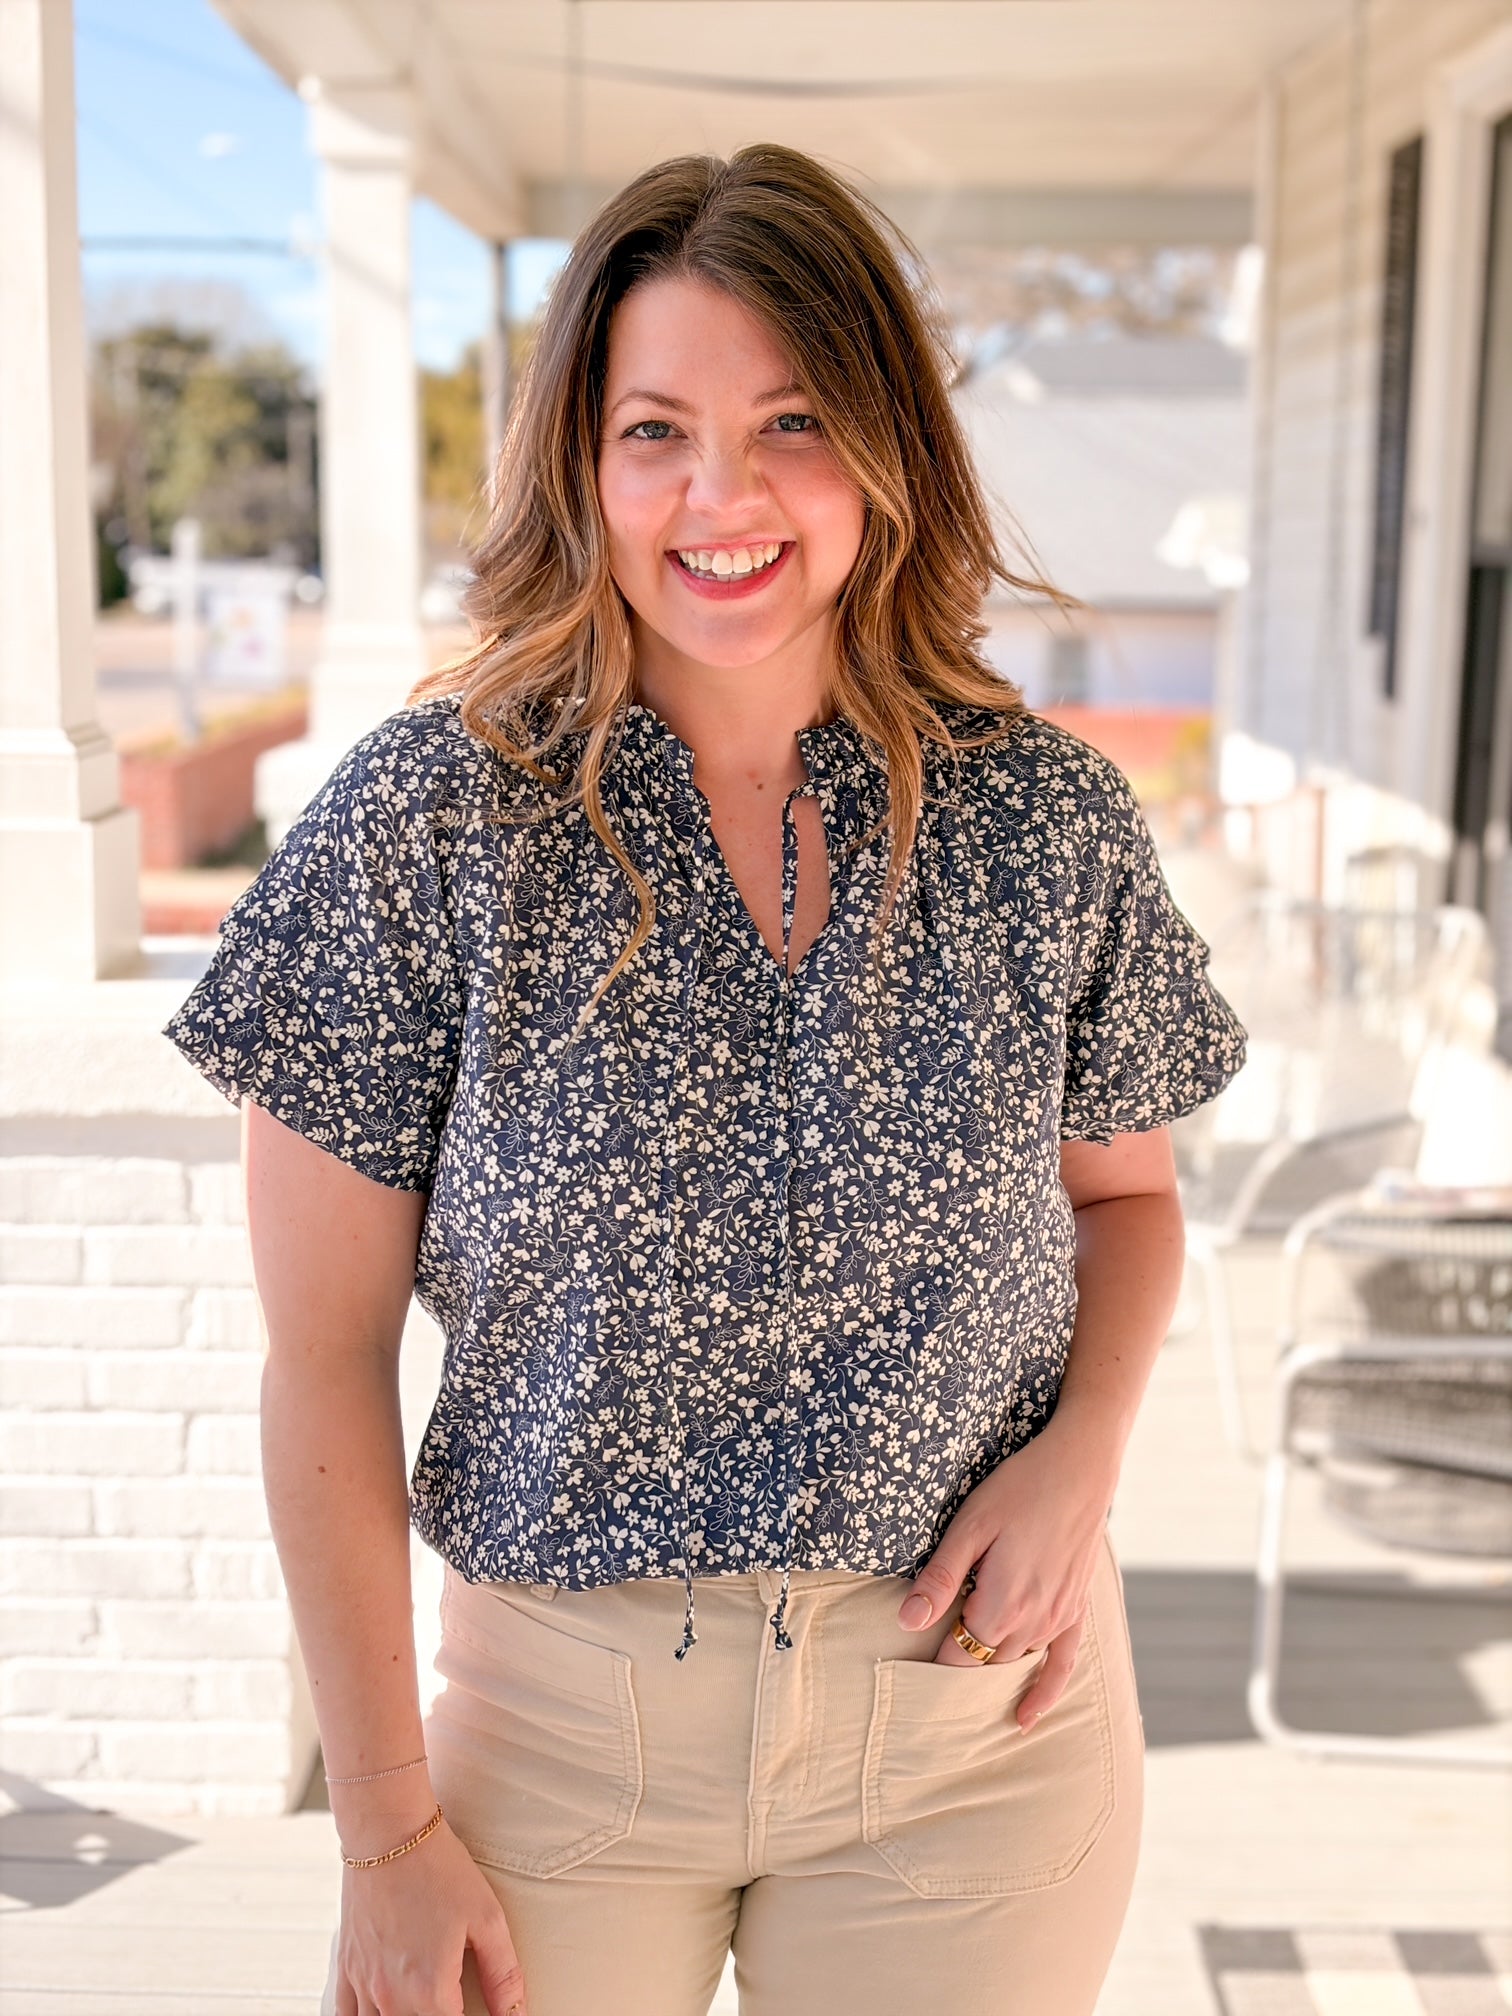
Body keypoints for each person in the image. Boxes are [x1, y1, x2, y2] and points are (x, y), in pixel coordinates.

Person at [161, 141, 1247, 2016]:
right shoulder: (431, 826)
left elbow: (1129, 1201)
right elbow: (320, 1361)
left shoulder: (1041, 820)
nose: (720, 496)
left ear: (887, 448)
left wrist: (1085, 1459)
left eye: (795, 422)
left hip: (973, 1735)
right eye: (655, 428)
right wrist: (382, 1836)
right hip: (554, 1756)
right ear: (579, 461)